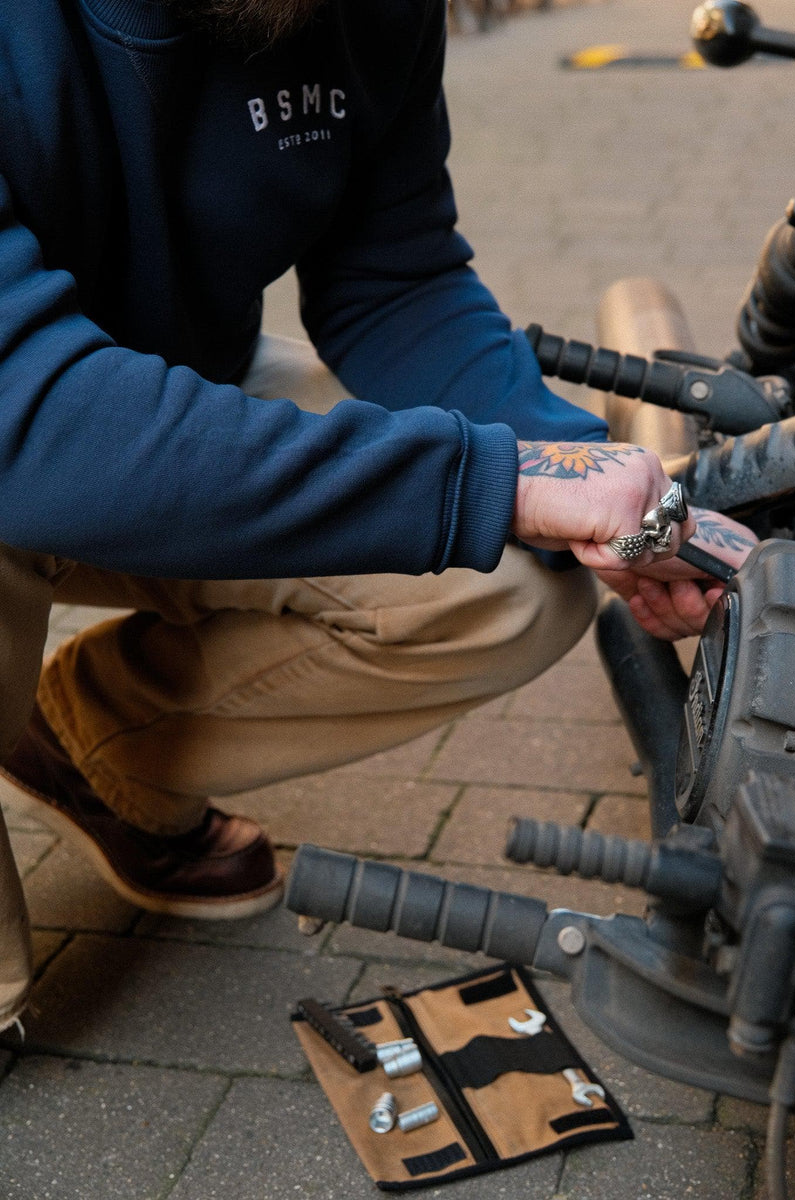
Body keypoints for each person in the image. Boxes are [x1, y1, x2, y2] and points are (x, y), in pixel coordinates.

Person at [0, 0, 755, 1031]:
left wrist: (584, 474)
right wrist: (492, 483)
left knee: (512, 588)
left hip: (170, 395)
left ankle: (93, 745)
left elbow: (395, 282)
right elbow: (25, 410)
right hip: (23, 412)